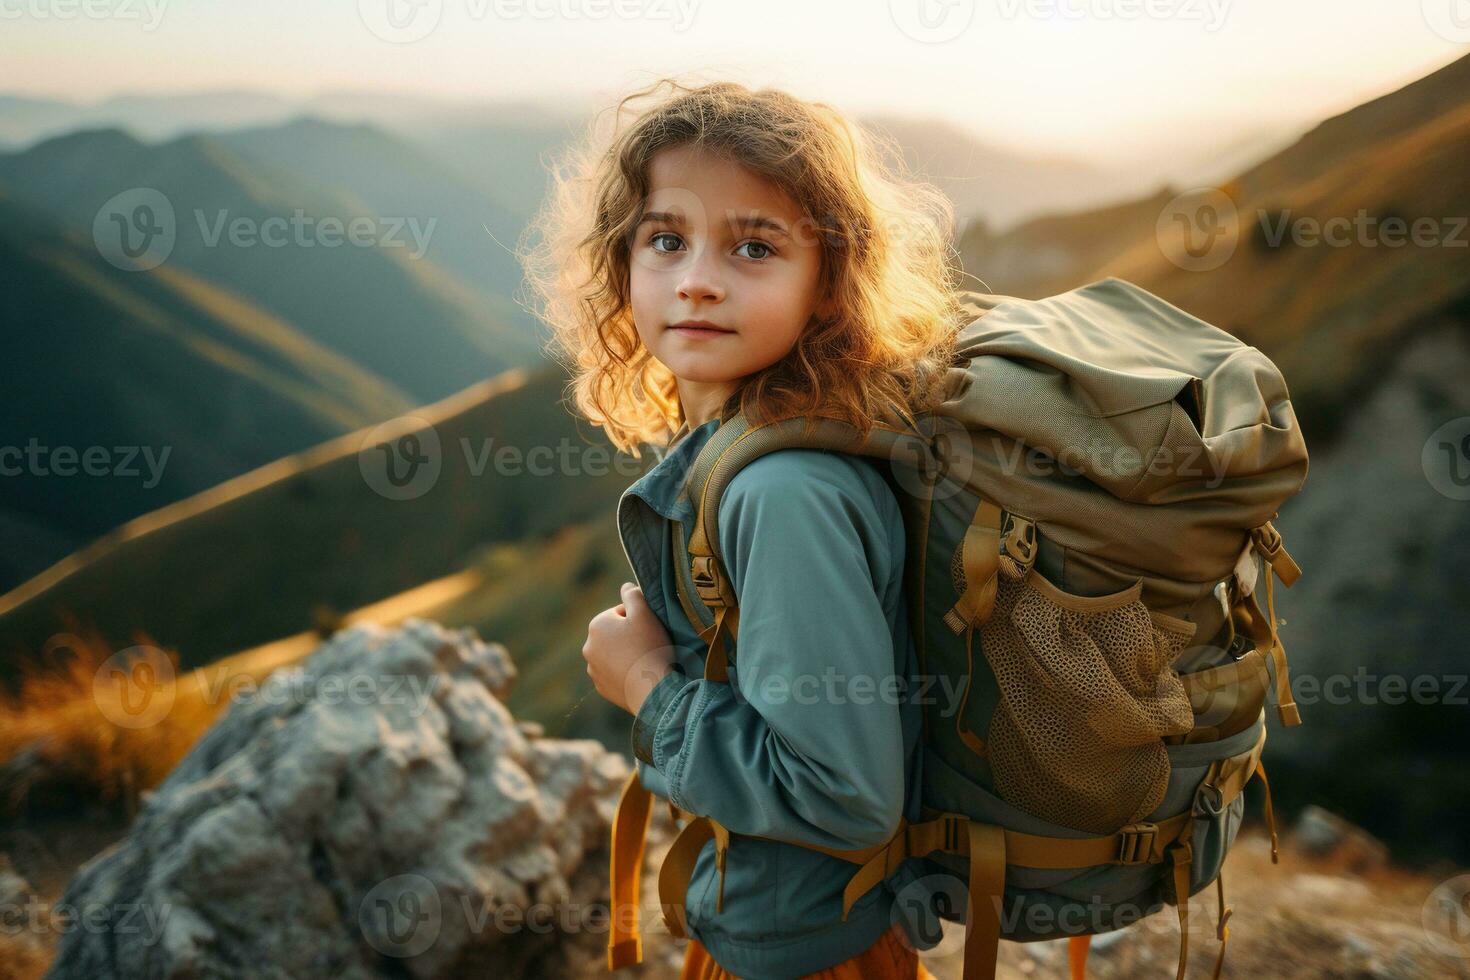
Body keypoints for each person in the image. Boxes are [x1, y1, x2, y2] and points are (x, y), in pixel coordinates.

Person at [522, 78, 961, 979]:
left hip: (811, 957)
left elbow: (844, 798)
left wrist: (646, 684)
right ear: (623, 264)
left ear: (829, 287)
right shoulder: (749, 448)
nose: (697, 281)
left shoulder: (785, 492)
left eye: (754, 246)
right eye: (666, 240)